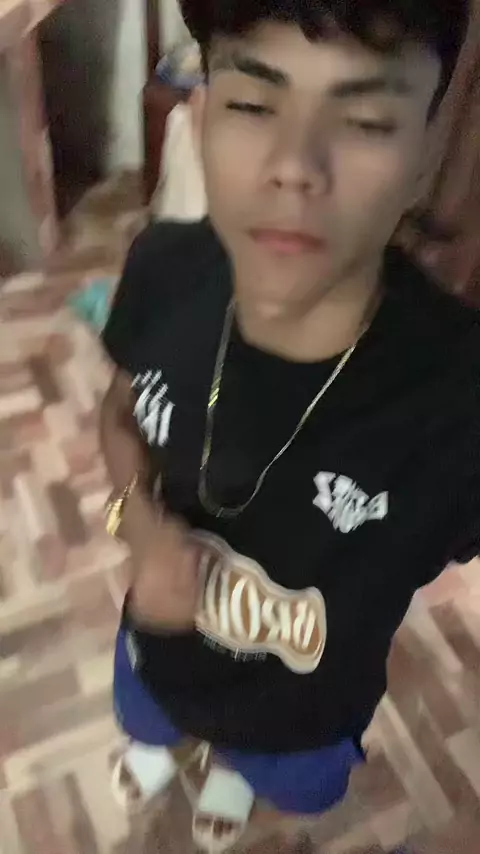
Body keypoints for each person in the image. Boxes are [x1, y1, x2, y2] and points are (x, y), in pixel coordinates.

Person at [100, 1, 478, 850]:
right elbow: (118, 412)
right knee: (146, 720)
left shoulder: (457, 399)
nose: (294, 168)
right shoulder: (161, 269)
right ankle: (162, 744)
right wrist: (139, 527)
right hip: (155, 652)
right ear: (202, 117)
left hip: (301, 719)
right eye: (252, 103)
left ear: (426, 154)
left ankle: (234, 769)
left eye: (366, 120)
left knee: (273, 776)